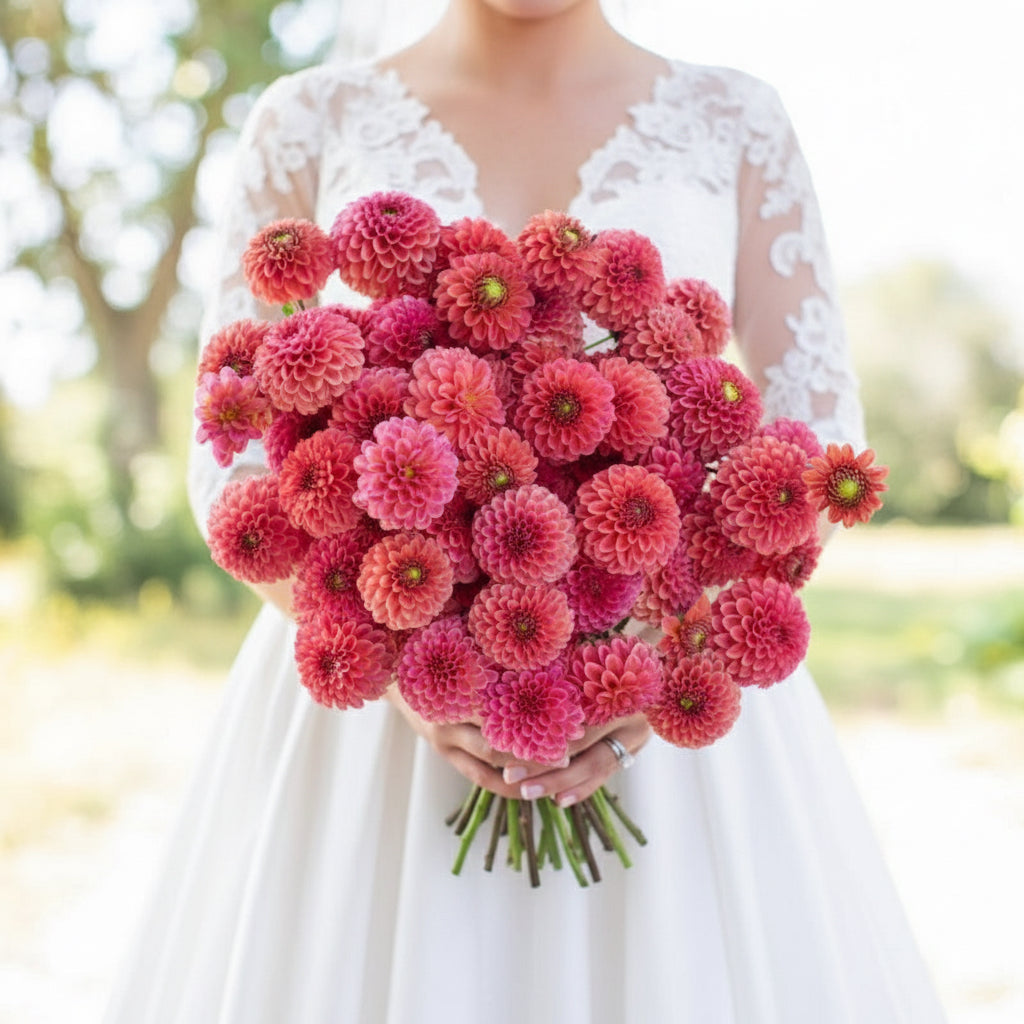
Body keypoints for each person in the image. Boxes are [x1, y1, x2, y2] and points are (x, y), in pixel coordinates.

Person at [104, 1, 949, 1021]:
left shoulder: (733, 117)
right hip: (375, 686)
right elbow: (228, 441)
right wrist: (400, 658)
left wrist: (650, 662)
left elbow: (814, 432)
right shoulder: (311, 115)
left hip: (665, 686)